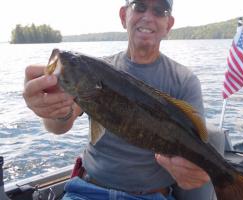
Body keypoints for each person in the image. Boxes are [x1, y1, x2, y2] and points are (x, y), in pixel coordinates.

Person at [23, 0, 217, 199]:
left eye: (159, 11)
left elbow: (196, 145)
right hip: (86, 190)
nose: (148, 17)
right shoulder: (98, 69)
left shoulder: (184, 81)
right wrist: (55, 109)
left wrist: (196, 172)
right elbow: (59, 126)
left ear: (168, 25)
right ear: (124, 16)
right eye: (140, 6)